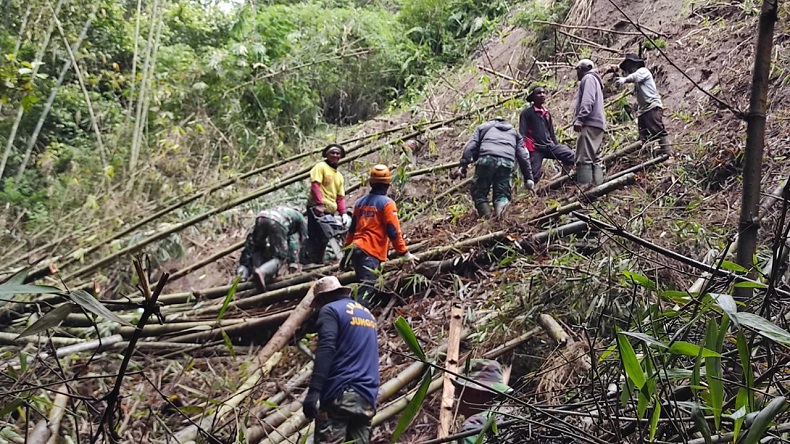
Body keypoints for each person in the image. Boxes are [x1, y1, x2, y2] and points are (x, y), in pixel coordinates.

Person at [303, 276, 380, 444]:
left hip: (341, 393)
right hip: (367, 396)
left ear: (323, 298)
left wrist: (314, 391)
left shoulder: (330, 310)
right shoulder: (367, 314)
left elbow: (326, 348)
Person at [343, 164, 417, 306]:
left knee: (364, 287)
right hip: (369, 252)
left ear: (371, 183)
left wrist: (346, 252)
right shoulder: (387, 204)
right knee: (367, 290)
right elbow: (393, 231)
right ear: (388, 184)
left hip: (355, 249)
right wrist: (405, 253)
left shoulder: (359, 203)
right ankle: (356, 316)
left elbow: (352, 230)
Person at [457, 118, 534, 219]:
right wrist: (529, 178)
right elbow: (523, 156)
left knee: (479, 193)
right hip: (506, 162)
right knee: (502, 194)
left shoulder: (483, 128)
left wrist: (463, 165)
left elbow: (470, 147)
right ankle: (501, 221)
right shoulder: (515, 133)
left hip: (486, 159)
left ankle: (487, 221)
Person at [615, 53, 672, 156]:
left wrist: (625, 80)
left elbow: (634, 77)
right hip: (643, 110)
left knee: (657, 129)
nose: (628, 68)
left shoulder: (643, 71)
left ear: (635, 64)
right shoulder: (637, 80)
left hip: (652, 106)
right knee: (643, 134)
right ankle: (648, 154)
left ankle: (668, 152)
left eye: (629, 65)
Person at [236, 206, 308, 283]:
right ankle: (261, 272)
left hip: (261, 217)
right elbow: (302, 240)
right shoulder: (298, 217)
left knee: (257, 247)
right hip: (277, 221)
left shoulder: (281, 210)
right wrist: (296, 262)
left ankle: (249, 274)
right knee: (280, 256)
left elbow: (253, 244)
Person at [519, 86, 575, 183]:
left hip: (549, 147)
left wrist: (556, 146)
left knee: (570, 154)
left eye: (543, 93)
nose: (542, 95)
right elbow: (522, 133)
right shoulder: (526, 113)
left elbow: (551, 133)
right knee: (533, 175)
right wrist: (524, 148)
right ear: (533, 97)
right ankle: (532, 191)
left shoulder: (547, 113)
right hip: (535, 149)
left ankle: (564, 179)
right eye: (539, 93)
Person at [306, 144, 350, 264]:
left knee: (325, 238)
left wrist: (343, 213)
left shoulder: (339, 176)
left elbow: (340, 197)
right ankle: (310, 262)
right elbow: (315, 185)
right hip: (317, 209)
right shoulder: (321, 167)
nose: (335, 155)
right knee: (316, 237)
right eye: (332, 153)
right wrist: (319, 204)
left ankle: (318, 262)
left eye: (337, 153)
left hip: (329, 210)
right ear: (326, 154)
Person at [454, 359, 513, 444]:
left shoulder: (476, 424)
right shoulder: (513, 414)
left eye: (460, 390)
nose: (456, 395)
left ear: (477, 392)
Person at [573, 59, 607, 185]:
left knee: (584, 158)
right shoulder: (596, 80)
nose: (577, 73)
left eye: (577, 69)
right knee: (596, 158)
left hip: (589, 123)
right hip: (598, 124)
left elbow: (588, 100)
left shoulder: (588, 78)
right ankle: (599, 188)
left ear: (583, 68)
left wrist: (580, 119)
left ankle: (585, 190)